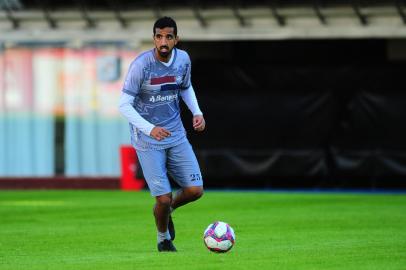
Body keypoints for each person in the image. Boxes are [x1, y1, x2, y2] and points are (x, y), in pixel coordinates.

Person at [118, 16, 205, 252]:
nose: (163, 41)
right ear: (154, 38)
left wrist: (196, 112)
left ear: (176, 39)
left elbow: (185, 87)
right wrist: (150, 128)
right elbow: (124, 105)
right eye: (159, 36)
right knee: (162, 198)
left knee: (195, 190)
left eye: (168, 36)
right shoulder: (141, 65)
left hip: (176, 134)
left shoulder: (183, 59)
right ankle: (163, 238)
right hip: (148, 140)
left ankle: (169, 211)